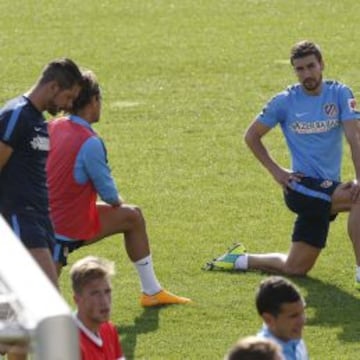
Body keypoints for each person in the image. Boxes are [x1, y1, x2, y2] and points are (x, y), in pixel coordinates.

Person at [203, 40, 360, 284]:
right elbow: (251, 136)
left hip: (327, 188)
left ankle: (240, 259)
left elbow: (354, 137)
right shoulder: (285, 101)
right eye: (300, 69)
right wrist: (276, 171)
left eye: (311, 66)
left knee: (295, 267)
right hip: (300, 187)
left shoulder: (340, 93)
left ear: (322, 64)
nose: (306, 74)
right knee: (357, 198)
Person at [47, 70, 191, 307]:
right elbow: (110, 195)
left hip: (38, 219)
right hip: (66, 227)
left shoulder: (53, 126)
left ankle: (152, 291)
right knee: (39, 303)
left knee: (132, 217)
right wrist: (117, 200)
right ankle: (151, 292)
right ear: (94, 101)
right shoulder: (89, 141)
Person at [71, 256, 125, 360]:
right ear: (77, 299)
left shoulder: (108, 329)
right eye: (94, 293)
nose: (104, 301)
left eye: (107, 291)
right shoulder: (70, 346)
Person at [255, 276, 308, 360]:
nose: (302, 321)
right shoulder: (264, 356)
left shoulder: (293, 338)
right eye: (293, 316)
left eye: (302, 313)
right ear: (269, 319)